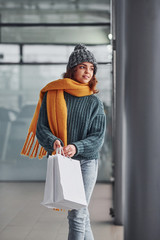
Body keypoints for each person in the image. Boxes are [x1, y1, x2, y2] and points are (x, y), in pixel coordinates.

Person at [21, 44, 106, 240]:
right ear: (73, 68)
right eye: (83, 66)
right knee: (81, 213)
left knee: (77, 213)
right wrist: (55, 142)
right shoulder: (53, 94)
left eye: (91, 68)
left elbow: (97, 137)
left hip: (86, 162)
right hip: (64, 162)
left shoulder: (94, 102)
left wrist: (76, 147)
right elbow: (42, 128)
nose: (88, 72)